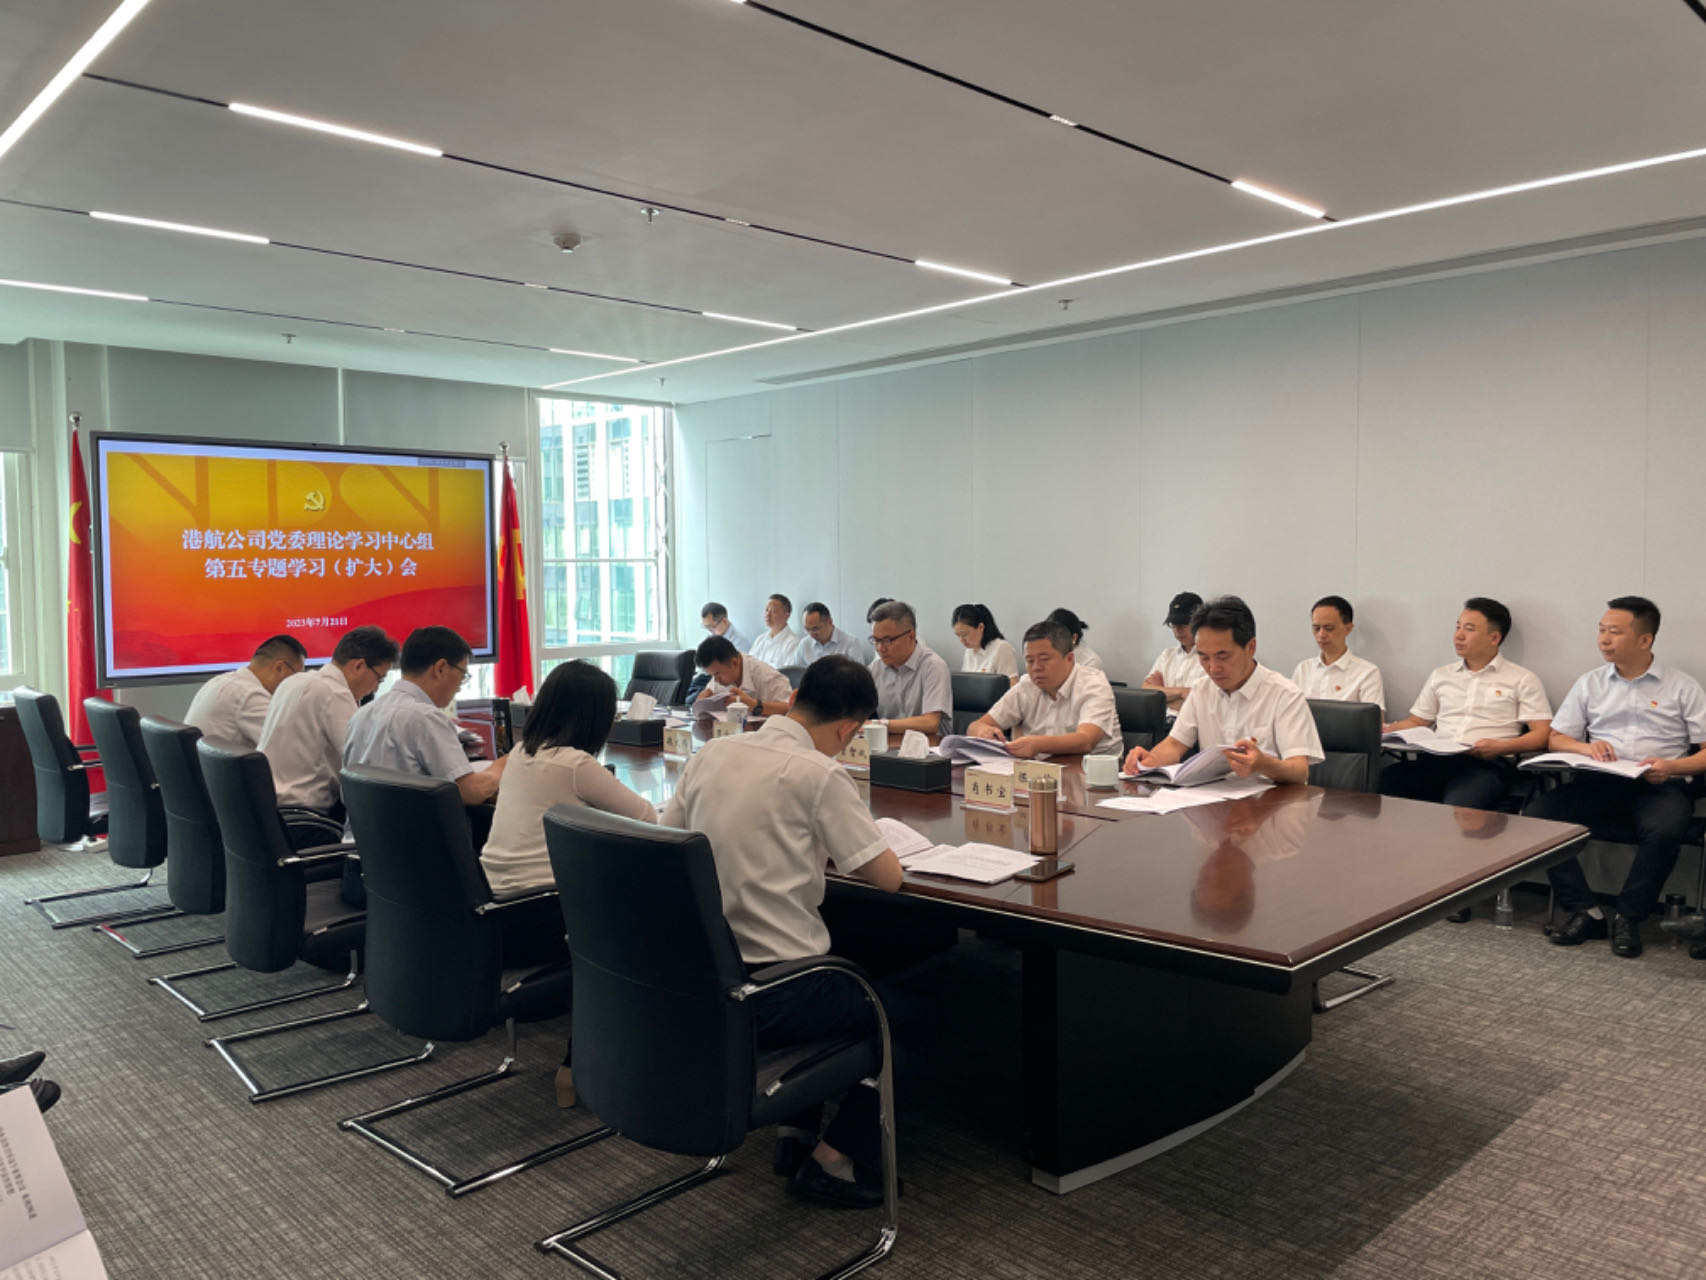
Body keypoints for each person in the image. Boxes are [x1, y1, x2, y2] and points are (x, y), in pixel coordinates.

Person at [661, 655, 905, 1209]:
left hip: (706, 979)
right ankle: (833, 1160)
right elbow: (889, 878)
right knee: (910, 1019)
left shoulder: (713, 753)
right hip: (782, 991)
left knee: (840, 966)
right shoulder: (819, 774)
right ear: (849, 729)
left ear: (794, 700)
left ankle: (794, 1134)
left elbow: (666, 842)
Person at [1525, 598, 1706, 957]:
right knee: (1537, 818)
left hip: (1659, 784)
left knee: (1665, 830)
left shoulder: (1682, 687)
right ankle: (1586, 911)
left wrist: (1673, 767)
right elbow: (1556, 738)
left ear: (1645, 640)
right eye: (1601, 630)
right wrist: (1586, 747)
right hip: (1602, 781)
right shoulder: (1590, 683)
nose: (1604, 640)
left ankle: (1629, 916)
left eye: (1615, 632)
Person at [482, 660, 658, 899]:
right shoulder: (575, 764)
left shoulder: (519, 752)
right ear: (595, 720)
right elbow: (646, 818)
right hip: (541, 896)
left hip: (493, 887)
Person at [1122, 596, 1323, 785]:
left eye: (1223, 656)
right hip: (1213, 798)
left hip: (1270, 802)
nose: (1213, 668)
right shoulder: (1202, 689)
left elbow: (1299, 770)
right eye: (1204, 657)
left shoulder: (1284, 694)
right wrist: (1149, 759)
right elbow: (1175, 745)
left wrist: (1263, 764)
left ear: (1251, 647)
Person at [1379, 597, 1551, 811]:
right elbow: (1418, 721)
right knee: (1385, 783)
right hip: (1436, 759)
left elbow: (1542, 734)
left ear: (1494, 638)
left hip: (1486, 765)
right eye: (1458, 627)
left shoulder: (1522, 679)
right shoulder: (1441, 675)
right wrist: (1389, 730)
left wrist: (1502, 747)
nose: (1459, 635)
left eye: (1469, 629)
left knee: (1458, 807)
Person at [343, 625, 505, 814]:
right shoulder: (426, 718)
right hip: (414, 832)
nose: (460, 687)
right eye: (462, 676)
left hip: (362, 832)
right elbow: (470, 792)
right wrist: (502, 766)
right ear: (441, 668)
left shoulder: (361, 715)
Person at [258, 624, 397, 843]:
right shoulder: (335, 693)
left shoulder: (294, 681)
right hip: (305, 825)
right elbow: (363, 766)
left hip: (270, 816)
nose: (375, 688)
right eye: (379, 678)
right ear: (358, 666)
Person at [967, 620, 1120, 757]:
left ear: (1069, 658)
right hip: (1038, 772)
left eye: (1044, 659)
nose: (1036, 667)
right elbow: (975, 726)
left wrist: (1038, 744)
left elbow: (1086, 740)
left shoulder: (1093, 684)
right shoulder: (1027, 685)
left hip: (1090, 772)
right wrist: (982, 731)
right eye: (1030, 661)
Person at [185, 634, 307, 749]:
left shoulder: (220, 681)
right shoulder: (249, 695)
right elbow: (289, 746)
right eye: (297, 676)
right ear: (279, 668)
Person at [868, 600, 952, 737]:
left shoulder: (933, 666)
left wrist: (879, 724)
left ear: (911, 636)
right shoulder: (874, 669)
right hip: (890, 744)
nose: (880, 648)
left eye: (887, 640)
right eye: (876, 641)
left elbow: (930, 723)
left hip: (930, 746)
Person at [1291, 596, 1385, 713]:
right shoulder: (1303, 669)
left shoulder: (1367, 672)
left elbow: (1374, 719)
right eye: (1316, 628)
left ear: (1348, 629)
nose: (1321, 635)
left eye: (1329, 628)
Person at [693, 635, 793, 715]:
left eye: (717, 674)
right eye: (712, 675)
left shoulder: (766, 676)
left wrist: (754, 705)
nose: (716, 680)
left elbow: (790, 708)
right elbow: (708, 694)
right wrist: (703, 701)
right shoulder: (720, 671)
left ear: (734, 663)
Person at [1143, 592, 1204, 709]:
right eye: (1174, 624)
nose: (1178, 630)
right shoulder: (1167, 655)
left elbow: (1203, 702)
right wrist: (1182, 692)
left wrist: (1163, 695)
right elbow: (1147, 691)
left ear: (1199, 623)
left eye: (1184, 624)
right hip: (1162, 719)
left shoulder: (1210, 658)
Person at [951, 604, 1019, 682]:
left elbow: (1012, 685)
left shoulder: (1002, 648)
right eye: (958, 635)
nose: (961, 640)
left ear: (981, 627)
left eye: (964, 634)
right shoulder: (969, 652)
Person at [798, 602, 871, 663]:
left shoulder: (850, 644)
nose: (811, 634)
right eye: (807, 629)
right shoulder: (804, 644)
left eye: (815, 629)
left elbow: (859, 675)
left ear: (830, 622)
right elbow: (794, 672)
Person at [748, 593, 804, 668]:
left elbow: (788, 673)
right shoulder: (760, 640)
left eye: (773, 611)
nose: (768, 614)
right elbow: (748, 666)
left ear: (786, 615)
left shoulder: (793, 643)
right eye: (767, 610)